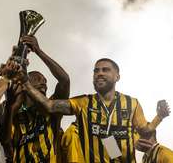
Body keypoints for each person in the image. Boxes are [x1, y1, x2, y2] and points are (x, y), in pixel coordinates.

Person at [18, 58, 170, 162]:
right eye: (96, 71)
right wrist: (25, 82)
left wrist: (159, 117)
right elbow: (50, 106)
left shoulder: (132, 103)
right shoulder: (84, 103)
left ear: (117, 76)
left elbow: (145, 130)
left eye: (105, 70)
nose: (100, 73)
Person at [8, 36, 70, 163]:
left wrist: (38, 51)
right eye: (37, 79)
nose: (43, 83)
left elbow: (64, 80)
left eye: (45, 81)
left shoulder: (52, 110)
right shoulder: (16, 114)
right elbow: (10, 88)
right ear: (26, 83)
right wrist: (17, 58)